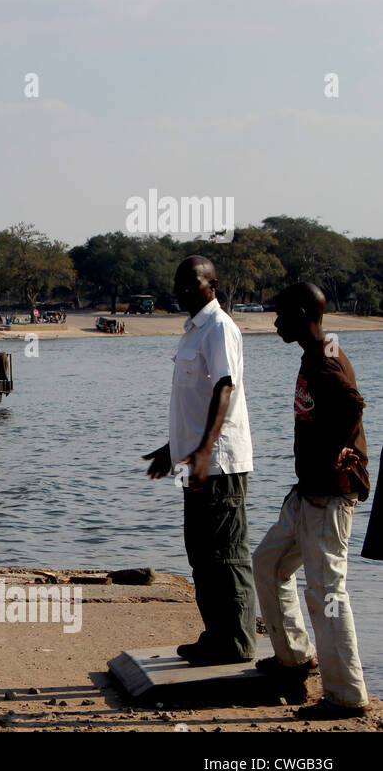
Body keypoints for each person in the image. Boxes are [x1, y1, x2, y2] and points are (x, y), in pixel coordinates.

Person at [252, 283, 373, 719]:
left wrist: (342, 449)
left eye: (282, 313)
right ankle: (295, 659)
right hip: (308, 493)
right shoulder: (319, 351)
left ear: (303, 312)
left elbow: (352, 403)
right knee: (268, 563)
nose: (275, 321)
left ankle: (346, 697)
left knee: (327, 593)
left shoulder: (325, 361)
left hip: (330, 497)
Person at [143, 256, 257, 666]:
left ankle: (238, 643)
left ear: (213, 284)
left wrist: (206, 449)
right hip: (196, 462)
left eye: (192, 282)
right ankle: (216, 636)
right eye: (179, 283)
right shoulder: (192, 331)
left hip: (221, 462)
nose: (183, 290)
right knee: (201, 553)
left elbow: (224, 389)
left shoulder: (219, 328)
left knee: (226, 554)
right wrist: (173, 448)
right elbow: (194, 403)